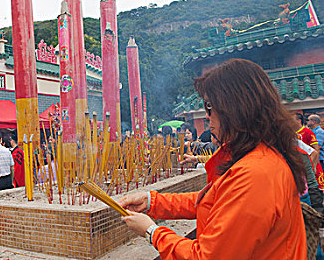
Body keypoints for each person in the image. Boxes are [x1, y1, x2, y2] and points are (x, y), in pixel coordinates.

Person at [119, 59, 307, 259]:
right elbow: (212, 201)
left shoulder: (255, 174)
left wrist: (152, 232)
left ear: (236, 108)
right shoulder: (258, 156)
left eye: (209, 107)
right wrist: (151, 202)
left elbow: (209, 257)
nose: (207, 116)